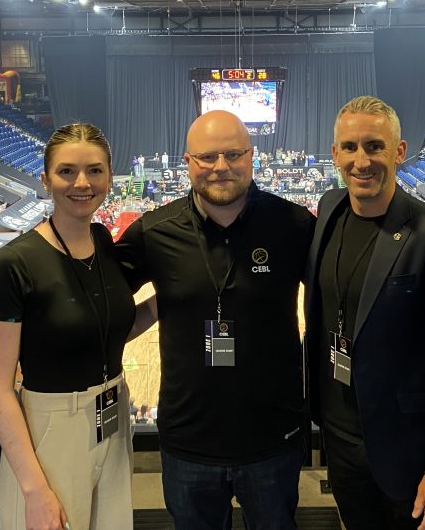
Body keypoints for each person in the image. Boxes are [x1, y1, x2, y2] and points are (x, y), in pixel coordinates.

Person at [117, 110, 316, 529]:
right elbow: (92, 289)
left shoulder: (295, 226)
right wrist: (16, 282)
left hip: (273, 441)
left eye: (233, 154)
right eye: (207, 157)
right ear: (188, 161)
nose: (220, 167)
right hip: (188, 444)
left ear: (252, 156)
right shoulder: (154, 232)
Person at [305, 96, 425, 530]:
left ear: (399, 152)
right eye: (349, 147)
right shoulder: (330, 208)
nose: (361, 161)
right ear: (335, 155)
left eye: (374, 146)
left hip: (408, 455)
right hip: (340, 438)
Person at [0, 123, 156, 530]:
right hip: (50, 431)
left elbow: (109, 331)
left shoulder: (102, 242)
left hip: (112, 419)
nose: (82, 183)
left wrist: (172, 298)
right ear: (45, 179)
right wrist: (34, 489)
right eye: (66, 171)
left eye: (94, 171)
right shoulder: (15, 263)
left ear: (110, 176)